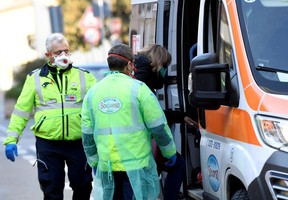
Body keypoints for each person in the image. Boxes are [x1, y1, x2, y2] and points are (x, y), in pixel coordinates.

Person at [4, 33, 96, 200]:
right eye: (58, 52)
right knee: (51, 188)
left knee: (83, 186)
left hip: (78, 143)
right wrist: (11, 139)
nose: (64, 56)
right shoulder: (35, 79)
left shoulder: (85, 77)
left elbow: (97, 107)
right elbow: (21, 111)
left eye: (66, 51)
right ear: (48, 55)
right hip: (48, 144)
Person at [81, 43, 177, 200]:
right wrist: (170, 152)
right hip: (136, 166)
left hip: (107, 165)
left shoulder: (93, 92)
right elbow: (158, 127)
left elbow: (87, 134)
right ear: (129, 64)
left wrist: (93, 162)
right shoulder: (139, 89)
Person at [134, 44, 195, 200]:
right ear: (159, 62)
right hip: (139, 142)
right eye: (165, 66)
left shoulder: (136, 74)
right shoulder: (144, 80)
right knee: (178, 164)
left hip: (127, 143)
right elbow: (153, 117)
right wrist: (178, 116)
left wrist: (179, 116)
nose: (165, 71)